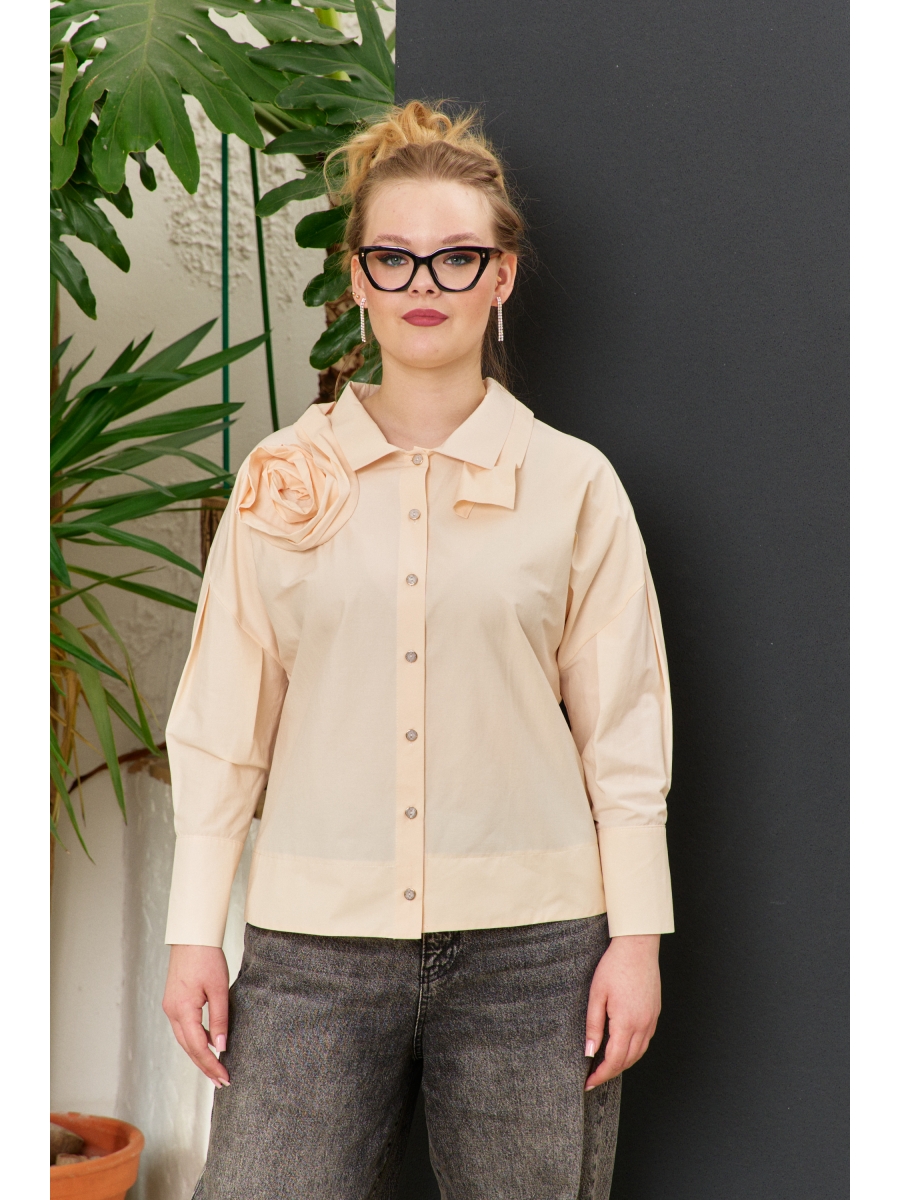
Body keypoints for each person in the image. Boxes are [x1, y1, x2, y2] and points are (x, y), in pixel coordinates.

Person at [162, 101, 674, 1200]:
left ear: (502, 276)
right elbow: (223, 723)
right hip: (312, 949)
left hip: (535, 954)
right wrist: (191, 932)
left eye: (457, 257)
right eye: (393, 257)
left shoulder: (575, 484)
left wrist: (637, 940)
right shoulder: (279, 479)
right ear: (357, 278)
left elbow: (624, 731)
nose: (423, 283)